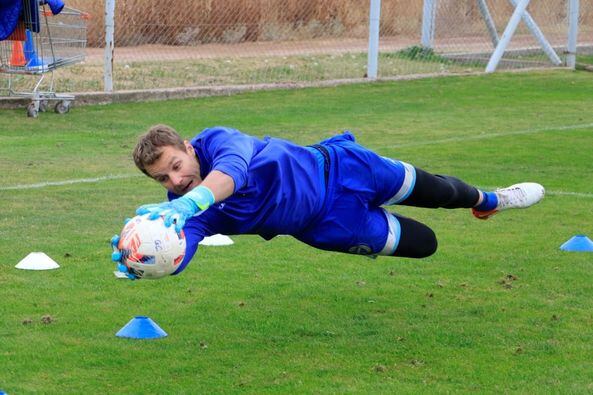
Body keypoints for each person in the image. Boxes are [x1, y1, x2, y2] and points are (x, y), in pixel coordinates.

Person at [111, 124, 544, 279]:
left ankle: (492, 199)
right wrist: (147, 260)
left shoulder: (219, 141)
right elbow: (184, 243)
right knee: (425, 243)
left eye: (175, 164)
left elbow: (234, 172)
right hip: (325, 225)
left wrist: (191, 203)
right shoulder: (181, 209)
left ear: (187, 147)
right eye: (162, 178)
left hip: (343, 168)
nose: (176, 179)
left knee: (443, 192)